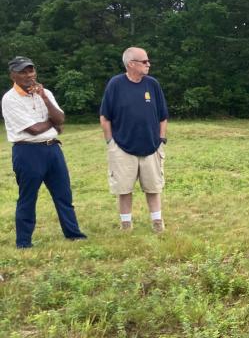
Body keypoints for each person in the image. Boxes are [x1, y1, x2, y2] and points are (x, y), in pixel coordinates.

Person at [2, 56, 87, 249]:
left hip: (53, 149)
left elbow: (61, 117)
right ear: (13, 75)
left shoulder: (45, 92)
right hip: (27, 152)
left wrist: (45, 98)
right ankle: (24, 242)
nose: (28, 75)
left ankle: (73, 234)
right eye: (23, 72)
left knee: (63, 195)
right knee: (28, 197)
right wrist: (54, 125)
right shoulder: (10, 99)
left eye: (30, 70)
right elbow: (33, 129)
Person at [99, 47, 169, 233]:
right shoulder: (115, 84)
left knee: (154, 188)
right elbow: (105, 117)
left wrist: (161, 139)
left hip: (152, 146)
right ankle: (126, 225)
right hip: (122, 147)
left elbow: (163, 116)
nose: (149, 64)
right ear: (131, 64)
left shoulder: (152, 84)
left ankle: (157, 223)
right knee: (124, 189)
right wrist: (111, 143)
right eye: (144, 61)